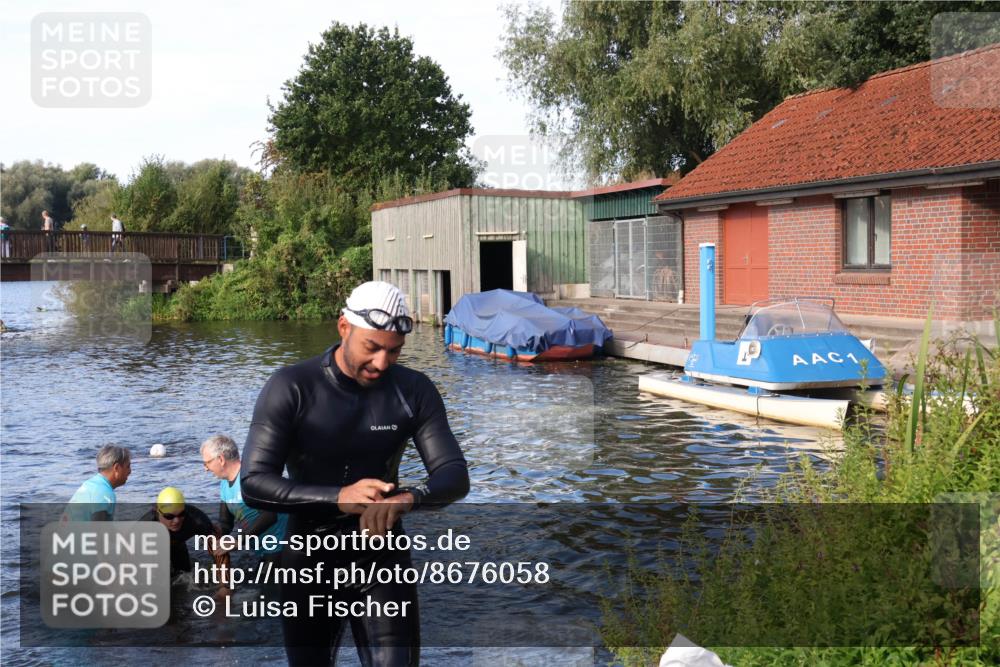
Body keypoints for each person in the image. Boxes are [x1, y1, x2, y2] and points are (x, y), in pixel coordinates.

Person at [241, 280, 470, 667]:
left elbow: (453, 475)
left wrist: (407, 499)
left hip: (381, 561)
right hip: (308, 561)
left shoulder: (414, 391)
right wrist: (338, 497)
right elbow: (253, 482)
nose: (382, 363)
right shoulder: (292, 387)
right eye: (372, 347)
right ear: (343, 328)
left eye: (394, 351)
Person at [201, 434, 287, 560]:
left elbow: (269, 516)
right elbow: (226, 522)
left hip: (281, 547)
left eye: (207, 463)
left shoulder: (251, 478)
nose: (206, 469)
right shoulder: (224, 483)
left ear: (220, 459)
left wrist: (237, 542)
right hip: (261, 550)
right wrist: (216, 537)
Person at [140, 487, 218, 575]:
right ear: (158, 512)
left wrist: (224, 585)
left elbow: (219, 552)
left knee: (184, 576)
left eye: (181, 514)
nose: (176, 521)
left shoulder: (197, 520)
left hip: (178, 545)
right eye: (169, 516)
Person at [65, 444, 131, 521]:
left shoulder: (90, 484)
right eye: (128, 466)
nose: (130, 471)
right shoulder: (104, 493)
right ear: (116, 468)